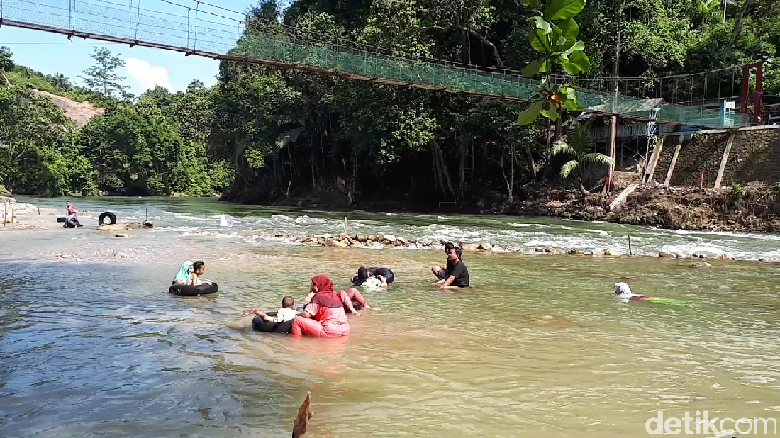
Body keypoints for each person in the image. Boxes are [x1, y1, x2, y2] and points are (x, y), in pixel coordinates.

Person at [291, 275, 360, 338]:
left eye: (313, 285)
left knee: (297, 320)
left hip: (330, 330)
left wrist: (296, 313)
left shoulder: (318, 297)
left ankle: (296, 342)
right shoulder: (334, 295)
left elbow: (306, 315)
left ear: (318, 286)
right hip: (345, 329)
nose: (311, 287)